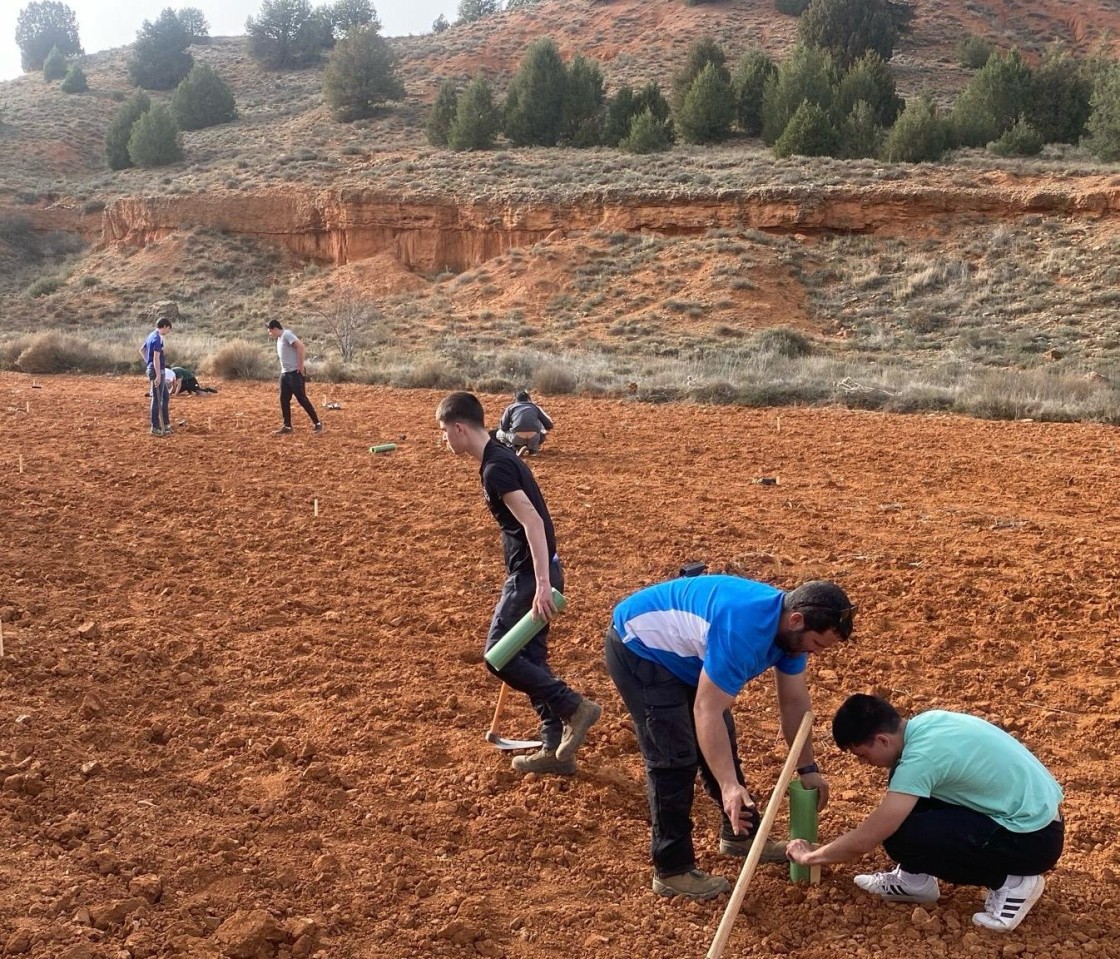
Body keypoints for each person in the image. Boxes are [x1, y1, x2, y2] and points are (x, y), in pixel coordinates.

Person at [604, 574, 855, 901]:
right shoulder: (744, 633)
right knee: (674, 757)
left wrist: (808, 768)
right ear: (796, 620)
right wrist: (728, 786)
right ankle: (672, 869)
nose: (817, 653)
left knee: (722, 739)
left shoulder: (790, 633)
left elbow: (793, 703)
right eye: (818, 644)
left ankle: (741, 837)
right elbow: (707, 711)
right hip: (639, 648)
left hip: (685, 653)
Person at [786, 694, 1063, 933]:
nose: (863, 763)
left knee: (902, 834)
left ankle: (1014, 881)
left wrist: (811, 856)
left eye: (862, 754)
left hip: (1033, 840)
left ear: (881, 739)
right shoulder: (926, 724)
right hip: (1033, 818)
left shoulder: (921, 759)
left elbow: (866, 840)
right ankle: (914, 880)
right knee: (904, 806)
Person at [436, 391, 600, 775]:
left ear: (459, 428)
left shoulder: (497, 468)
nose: (443, 439)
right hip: (537, 571)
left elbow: (533, 522)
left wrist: (541, 583)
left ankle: (574, 707)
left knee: (499, 655)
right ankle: (552, 748)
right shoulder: (499, 457)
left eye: (444, 431)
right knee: (530, 659)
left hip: (529, 577)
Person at [267, 320, 322, 434]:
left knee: (302, 399)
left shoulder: (287, 334)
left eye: (270, 331)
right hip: (285, 374)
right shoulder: (279, 338)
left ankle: (317, 423)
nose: (269, 333)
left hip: (294, 373)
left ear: (275, 329)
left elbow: (300, 346)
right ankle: (287, 426)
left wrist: (300, 365)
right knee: (283, 399)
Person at [496, 390, 554, 457]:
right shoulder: (534, 407)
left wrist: (512, 425)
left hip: (517, 438)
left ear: (516, 400)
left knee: (499, 433)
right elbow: (549, 425)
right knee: (540, 433)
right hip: (534, 438)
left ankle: (515, 448)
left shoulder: (510, 407)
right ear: (528, 399)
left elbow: (503, 427)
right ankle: (533, 451)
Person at [140, 317, 172, 436]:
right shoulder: (157, 338)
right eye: (168, 329)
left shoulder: (151, 335)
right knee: (157, 399)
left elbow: (142, 350)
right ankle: (155, 427)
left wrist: (148, 364)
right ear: (164, 326)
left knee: (165, 397)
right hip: (158, 371)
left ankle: (166, 424)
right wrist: (157, 374)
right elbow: (156, 358)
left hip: (154, 369)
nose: (168, 331)